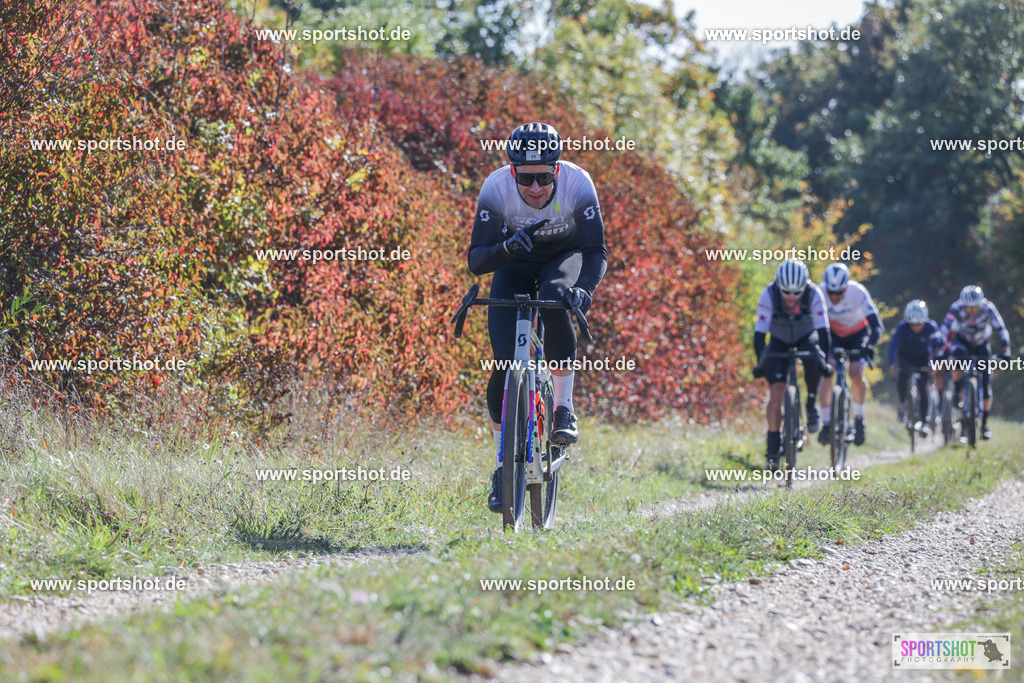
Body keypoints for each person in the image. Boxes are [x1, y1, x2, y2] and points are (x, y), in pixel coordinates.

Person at [468, 122, 608, 512]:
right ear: (512, 170)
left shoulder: (578, 183)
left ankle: (563, 407)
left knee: (554, 296)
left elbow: (596, 250)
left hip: (564, 258)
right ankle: (501, 467)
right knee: (504, 365)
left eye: (544, 177)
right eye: (525, 178)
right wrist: (508, 246)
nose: (534, 188)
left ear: (557, 170)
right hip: (514, 264)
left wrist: (585, 290)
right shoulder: (495, 188)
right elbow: (477, 261)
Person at [752, 258, 831, 470]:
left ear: (804, 287)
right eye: (786, 292)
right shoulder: (769, 293)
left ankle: (811, 401)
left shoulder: (814, 293)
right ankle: (772, 446)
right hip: (779, 339)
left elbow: (823, 332)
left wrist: (824, 359)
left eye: (797, 293)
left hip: (807, 336)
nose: (792, 297)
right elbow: (760, 334)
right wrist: (761, 362)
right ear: (779, 286)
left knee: (814, 358)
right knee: (776, 392)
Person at [817, 263, 883, 447]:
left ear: (846, 286)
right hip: (832, 336)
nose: (834, 297)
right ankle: (826, 423)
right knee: (827, 371)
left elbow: (876, 326)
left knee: (855, 372)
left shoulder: (858, 291)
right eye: (831, 292)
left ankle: (859, 419)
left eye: (839, 292)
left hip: (857, 335)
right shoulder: (818, 292)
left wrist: (869, 345)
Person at [938, 285, 1012, 440]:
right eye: (968, 308)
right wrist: (940, 349)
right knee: (956, 361)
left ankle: (984, 425)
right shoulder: (956, 308)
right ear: (963, 304)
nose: (971, 311)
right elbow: (945, 328)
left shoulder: (988, 308)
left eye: (974, 307)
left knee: (986, 385)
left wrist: (1006, 349)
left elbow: (1001, 328)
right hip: (962, 342)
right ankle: (958, 394)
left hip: (982, 345)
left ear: (980, 304)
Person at [888, 300, 942, 434]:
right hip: (905, 357)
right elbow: (893, 346)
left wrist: (934, 364)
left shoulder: (931, 327)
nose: (915, 327)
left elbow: (938, 348)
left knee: (924, 388)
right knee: (902, 378)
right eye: (912, 324)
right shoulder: (902, 327)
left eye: (918, 324)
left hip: (923, 359)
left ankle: (924, 422)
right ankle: (902, 404)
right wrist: (892, 364)